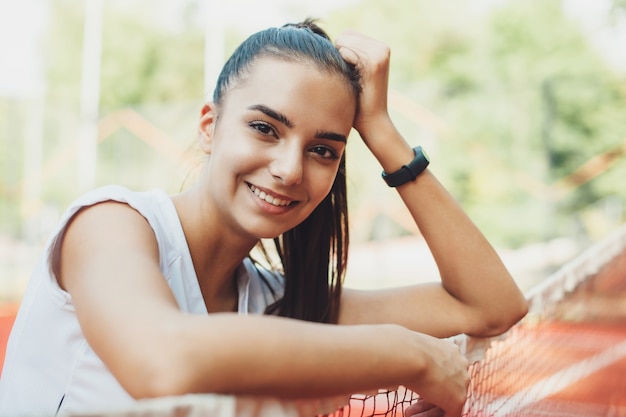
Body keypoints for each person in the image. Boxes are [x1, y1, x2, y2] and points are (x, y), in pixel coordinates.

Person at [0, 19, 527, 417]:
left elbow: (491, 306)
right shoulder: (111, 224)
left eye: (324, 150)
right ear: (210, 126)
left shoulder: (281, 306)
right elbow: (160, 358)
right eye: (265, 128)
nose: (290, 169)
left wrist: (381, 130)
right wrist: (407, 353)